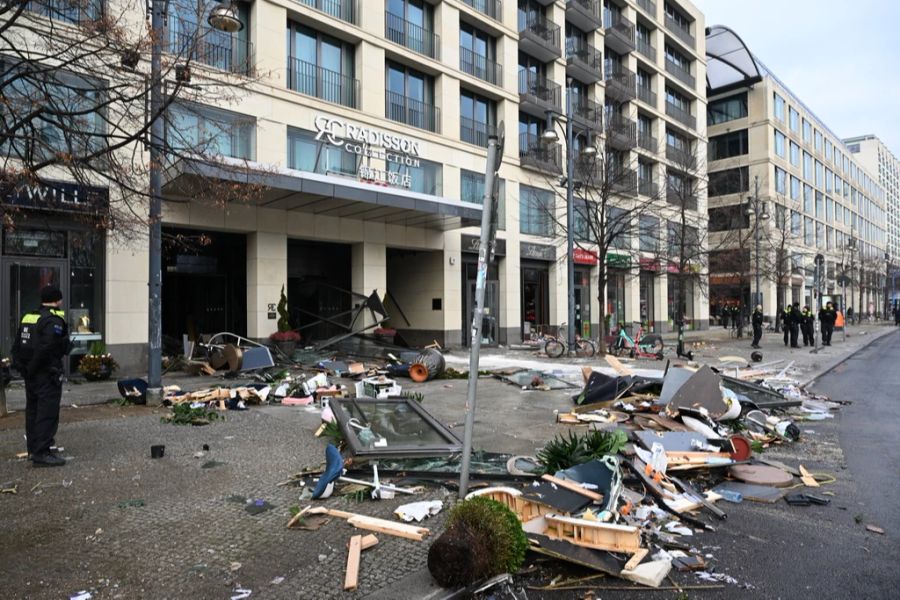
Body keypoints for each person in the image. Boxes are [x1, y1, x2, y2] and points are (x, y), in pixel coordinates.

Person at [10, 285, 70, 467]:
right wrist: (33, 368)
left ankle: (33, 449)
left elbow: (18, 344)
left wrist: (23, 368)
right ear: (58, 300)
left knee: (33, 411)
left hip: (30, 373)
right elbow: (47, 348)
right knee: (47, 412)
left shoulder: (29, 316)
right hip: (46, 373)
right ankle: (42, 452)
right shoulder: (53, 320)